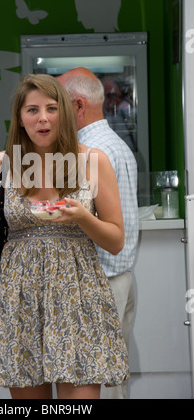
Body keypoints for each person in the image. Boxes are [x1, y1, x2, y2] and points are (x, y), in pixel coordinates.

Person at [0, 73, 129, 400]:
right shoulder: (2, 164)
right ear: (20, 119)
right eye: (32, 110)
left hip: (77, 297)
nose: (43, 118)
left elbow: (116, 239)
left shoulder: (93, 161)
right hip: (19, 298)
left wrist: (81, 216)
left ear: (65, 112)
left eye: (52, 108)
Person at [58, 67, 139, 399]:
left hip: (100, 283)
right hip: (117, 279)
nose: (49, 115)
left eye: (55, 105)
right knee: (111, 383)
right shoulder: (113, 143)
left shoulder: (90, 154)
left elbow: (91, 225)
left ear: (78, 106)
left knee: (96, 387)